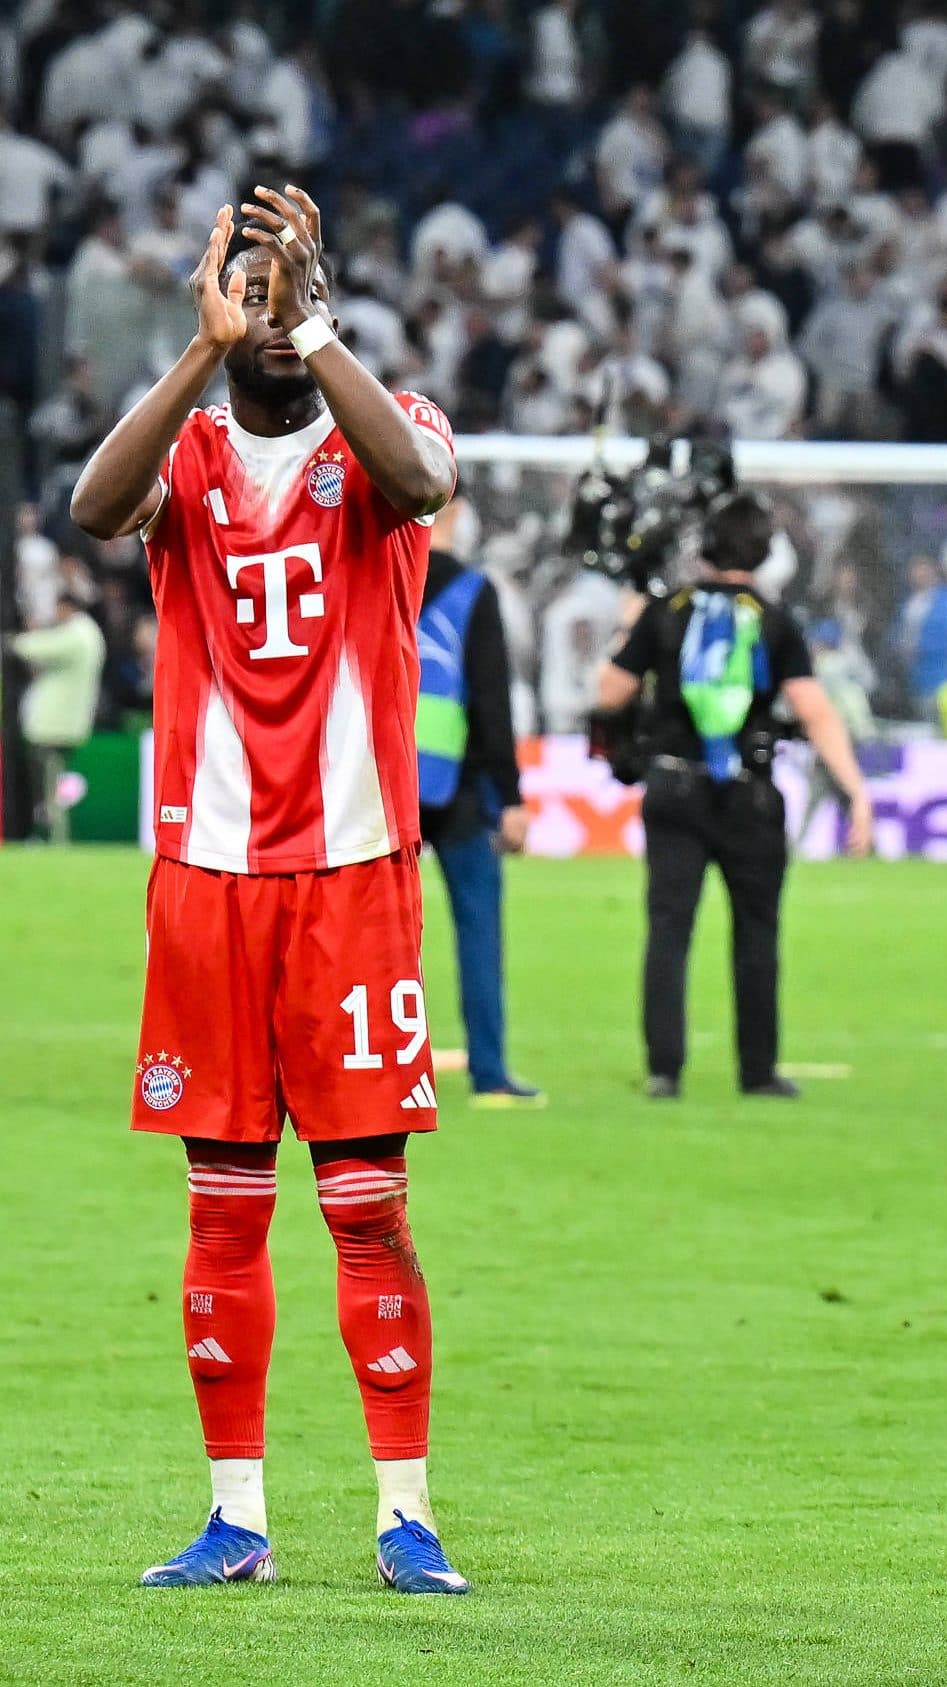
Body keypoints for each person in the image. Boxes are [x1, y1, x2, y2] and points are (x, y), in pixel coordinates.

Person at [71, 190, 469, 1594]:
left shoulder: (389, 425)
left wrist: (315, 321)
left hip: (354, 877)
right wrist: (202, 348)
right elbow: (91, 509)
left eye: (292, 284)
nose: (272, 309)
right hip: (209, 880)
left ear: (328, 297)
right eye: (250, 288)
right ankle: (235, 1515)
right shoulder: (182, 449)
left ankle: (405, 1514)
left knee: (368, 1205)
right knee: (223, 1207)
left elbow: (421, 490)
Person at [597, 492, 873, 1100]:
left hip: (674, 783)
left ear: (704, 549)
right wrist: (855, 790)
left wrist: (628, 625)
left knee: (669, 930)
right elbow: (813, 709)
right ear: (765, 553)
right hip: (749, 793)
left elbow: (610, 691)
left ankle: (665, 1069)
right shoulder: (774, 620)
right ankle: (758, 1070)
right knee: (756, 932)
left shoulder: (667, 610)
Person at [415, 503, 541, 1105]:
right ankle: (489, 1071)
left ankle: (359, 1063)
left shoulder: (373, 577)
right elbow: (492, 701)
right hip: (458, 786)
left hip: (378, 784)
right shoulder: (472, 591)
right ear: (458, 511)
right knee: (478, 927)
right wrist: (510, 798)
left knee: (373, 936)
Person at [8, 582, 103, 842]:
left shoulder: (78, 634)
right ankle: (52, 836)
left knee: (50, 789)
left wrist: (13, 640)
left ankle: (55, 839)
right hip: (68, 723)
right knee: (53, 786)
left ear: (66, 607)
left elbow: (38, 647)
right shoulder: (90, 633)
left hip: (54, 726)